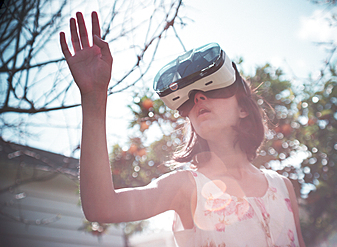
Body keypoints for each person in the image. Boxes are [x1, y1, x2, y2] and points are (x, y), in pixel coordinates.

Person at [60, 11, 306, 247]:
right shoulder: (185, 186)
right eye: (190, 98)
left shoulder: (282, 187)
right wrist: (94, 96)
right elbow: (101, 207)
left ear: (243, 109)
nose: (198, 99)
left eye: (211, 89)